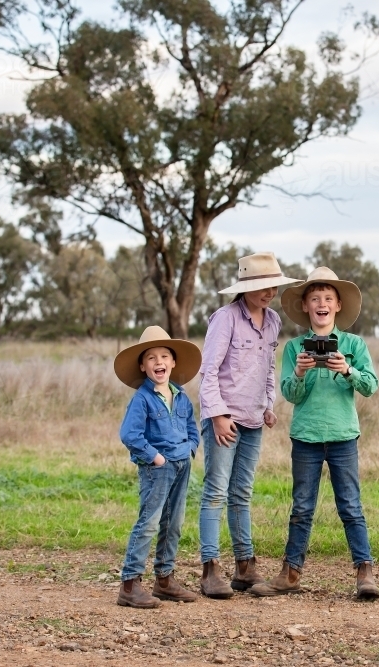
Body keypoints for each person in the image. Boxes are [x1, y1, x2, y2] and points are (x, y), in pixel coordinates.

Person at [250, 267, 379, 600]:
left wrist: (348, 369)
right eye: (314, 299)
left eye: (327, 298)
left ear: (338, 305)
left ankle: (364, 573)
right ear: (306, 306)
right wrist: (299, 372)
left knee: (350, 506)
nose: (321, 303)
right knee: (302, 508)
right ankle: (290, 573)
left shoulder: (353, 345)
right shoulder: (295, 348)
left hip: (343, 436)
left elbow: (371, 386)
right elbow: (291, 396)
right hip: (306, 437)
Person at [197, 252, 301, 598]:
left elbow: (268, 368)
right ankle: (210, 569)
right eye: (261, 285)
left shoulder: (272, 321)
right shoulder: (224, 319)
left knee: (242, 492)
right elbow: (208, 372)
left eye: (272, 285)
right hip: (224, 419)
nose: (269, 291)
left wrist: (268, 404)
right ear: (244, 288)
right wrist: (218, 415)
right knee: (216, 491)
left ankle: (245, 566)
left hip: (254, 418)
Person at [113, 326, 203, 608]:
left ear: (173, 362)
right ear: (143, 365)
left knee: (173, 523)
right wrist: (155, 457)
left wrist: (190, 447)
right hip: (158, 468)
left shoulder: (180, 395)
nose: (158, 362)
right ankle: (130, 583)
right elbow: (130, 434)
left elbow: (192, 426)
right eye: (151, 358)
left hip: (181, 464)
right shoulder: (142, 399)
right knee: (150, 522)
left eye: (164, 356)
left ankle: (164, 579)